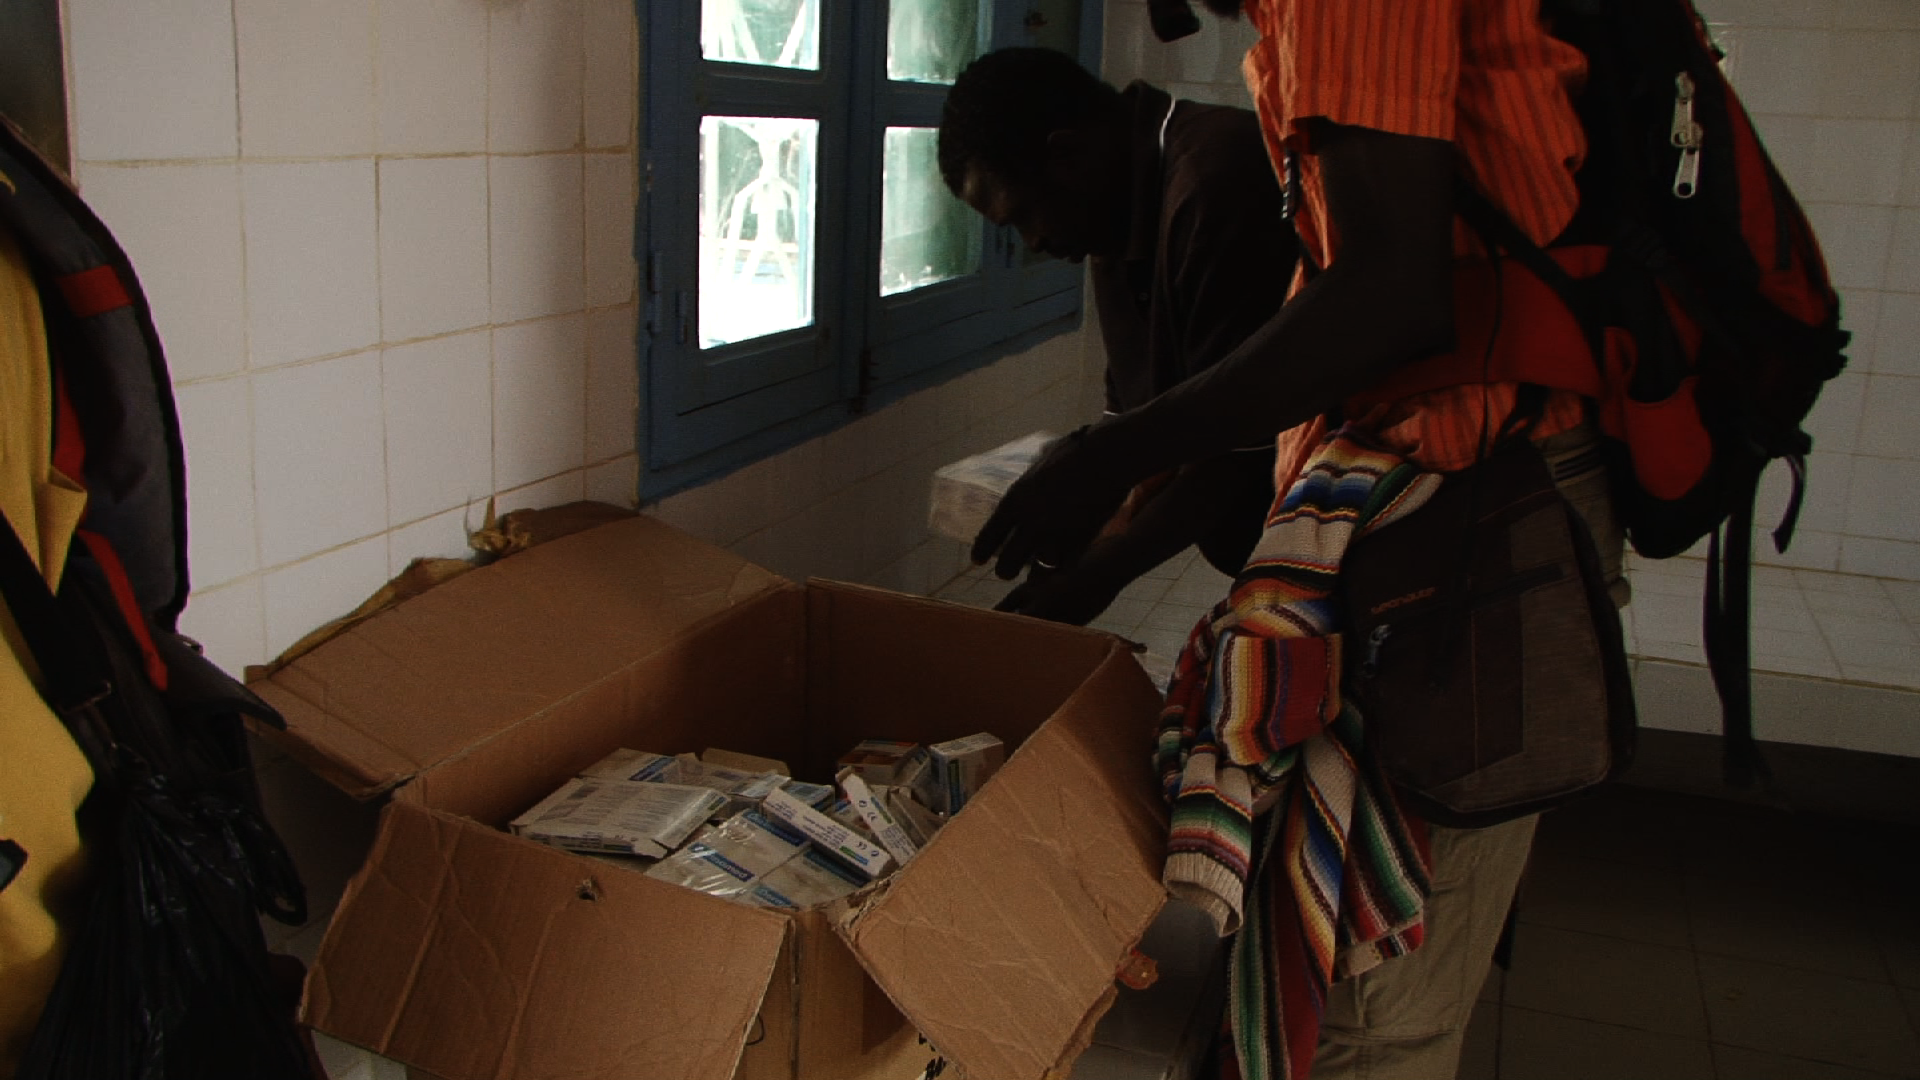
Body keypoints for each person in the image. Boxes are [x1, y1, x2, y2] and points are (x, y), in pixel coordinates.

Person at [971, 2, 1624, 1078]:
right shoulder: (1155, 197)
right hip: (1420, 511)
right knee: (1330, 948)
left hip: (1472, 513)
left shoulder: (1219, 161)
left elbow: (1388, 296)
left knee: (1373, 1003)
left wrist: (1102, 468)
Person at [937, 48, 1296, 626]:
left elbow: (1243, 448)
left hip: (1354, 530)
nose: (1032, 242)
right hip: (1270, 553)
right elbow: (1137, 416)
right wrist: (1080, 525)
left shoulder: (1216, 182)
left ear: (1067, 156)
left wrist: (1103, 572)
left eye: (1025, 214)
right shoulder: (1114, 216)